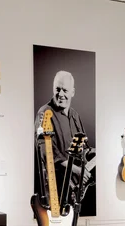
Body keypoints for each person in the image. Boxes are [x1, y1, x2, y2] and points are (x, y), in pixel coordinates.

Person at [35, 70, 93, 203]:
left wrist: (92, 153)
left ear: (72, 92)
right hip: (55, 188)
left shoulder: (75, 115)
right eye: (57, 89)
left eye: (65, 90)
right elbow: (46, 151)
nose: (60, 94)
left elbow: (83, 147)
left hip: (75, 186)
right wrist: (76, 170)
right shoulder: (44, 113)